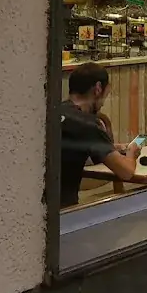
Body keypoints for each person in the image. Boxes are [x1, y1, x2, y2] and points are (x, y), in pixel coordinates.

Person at [59, 63, 140, 208]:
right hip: (65, 211)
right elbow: (126, 172)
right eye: (105, 96)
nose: (102, 104)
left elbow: (70, 148)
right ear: (97, 89)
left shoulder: (56, 112)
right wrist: (131, 152)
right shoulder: (87, 124)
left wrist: (112, 147)